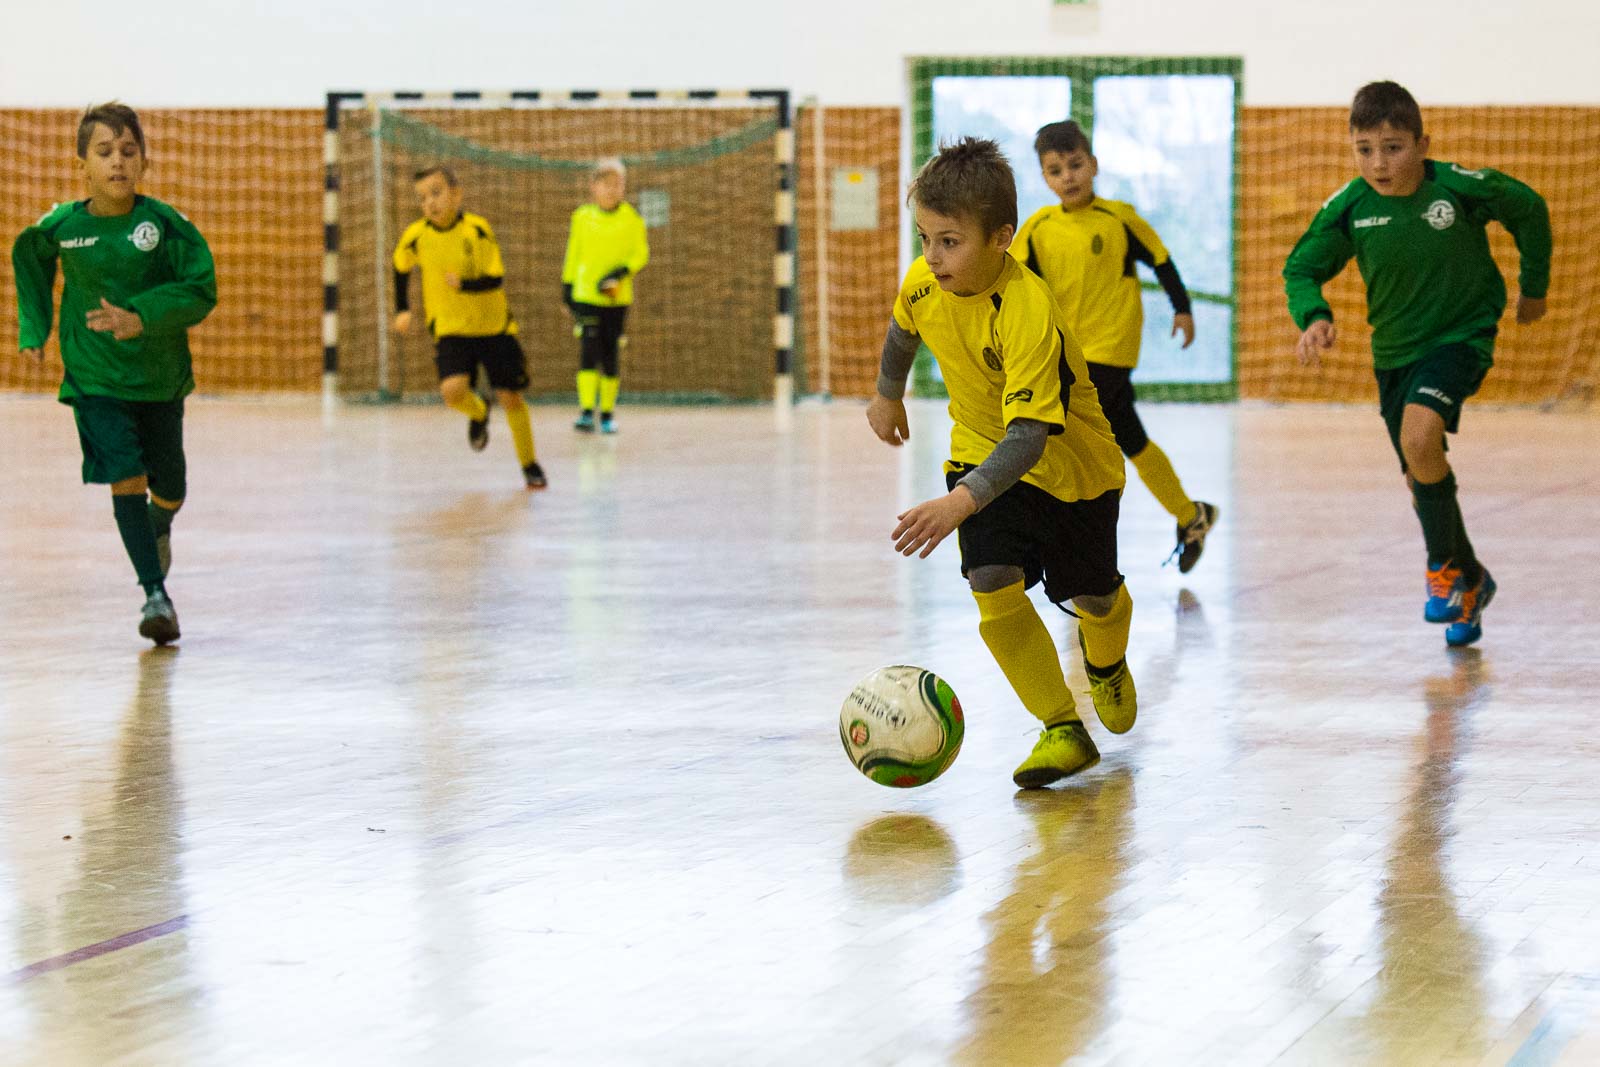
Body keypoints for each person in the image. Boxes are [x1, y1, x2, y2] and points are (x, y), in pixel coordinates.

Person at [867, 137, 1136, 789]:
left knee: (1092, 595)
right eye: (925, 238)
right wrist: (887, 392)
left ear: (1001, 239)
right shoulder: (924, 279)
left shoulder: (1026, 309)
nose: (932, 256)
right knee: (991, 579)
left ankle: (1105, 661)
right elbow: (903, 329)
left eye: (949, 241)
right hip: (979, 454)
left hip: (1073, 471)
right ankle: (1061, 727)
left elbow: (1029, 437)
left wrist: (956, 503)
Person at [1284, 81, 1551, 647]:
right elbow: (1301, 268)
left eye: (1393, 148)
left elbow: (1528, 208)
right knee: (1419, 472)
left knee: (1420, 440)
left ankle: (1442, 572)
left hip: (1460, 338)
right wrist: (1314, 315)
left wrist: (1534, 287)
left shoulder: (1457, 188)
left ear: (1422, 145)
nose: (1378, 164)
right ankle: (1473, 581)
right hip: (1394, 355)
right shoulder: (1350, 207)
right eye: (1364, 150)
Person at [12, 102, 216, 645]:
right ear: (82, 164)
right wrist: (34, 326)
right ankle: (155, 596)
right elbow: (28, 256)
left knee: (170, 486)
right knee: (126, 473)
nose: (117, 161)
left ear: (144, 161)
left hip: (159, 377)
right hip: (94, 378)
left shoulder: (164, 225)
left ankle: (159, 524)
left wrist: (141, 315)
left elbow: (201, 289)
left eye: (128, 151)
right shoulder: (63, 226)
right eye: (104, 152)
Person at [1015, 120, 1218, 572]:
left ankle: (1064, 537)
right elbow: (1015, 289)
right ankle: (1191, 515)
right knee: (1129, 437)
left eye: (1075, 165)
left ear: (1093, 164)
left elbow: (1162, 261)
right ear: (1044, 178)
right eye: (1055, 170)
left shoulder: (1120, 218)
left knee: (1062, 437)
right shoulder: (1036, 229)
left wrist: (1183, 309)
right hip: (1064, 353)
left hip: (1111, 349)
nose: (1068, 177)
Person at [392, 166, 546, 490]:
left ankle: (529, 464)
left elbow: (495, 277)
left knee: (511, 397)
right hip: (450, 329)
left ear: (456, 194)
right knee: (452, 393)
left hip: (493, 328)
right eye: (422, 198)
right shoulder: (416, 236)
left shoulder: (477, 230)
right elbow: (400, 267)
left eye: (436, 193)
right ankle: (479, 412)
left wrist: (465, 284)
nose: (430, 203)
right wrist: (403, 308)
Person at [562, 158, 649, 434]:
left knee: (610, 353)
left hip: (616, 298)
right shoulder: (582, 217)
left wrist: (620, 273)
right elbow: (573, 253)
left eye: (618, 184)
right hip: (586, 295)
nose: (612, 190)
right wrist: (567, 287)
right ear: (594, 186)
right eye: (607, 184)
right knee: (589, 350)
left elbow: (641, 254)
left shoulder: (631, 219)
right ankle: (587, 410)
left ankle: (608, 413)